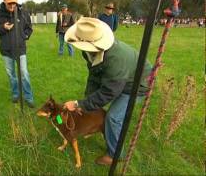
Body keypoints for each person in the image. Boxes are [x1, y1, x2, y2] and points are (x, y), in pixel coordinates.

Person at [63, 17, 152, 165]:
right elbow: (94, 75)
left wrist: (79, 104)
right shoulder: (88, 52)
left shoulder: (115, 60)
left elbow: (110, 92)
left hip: (137, 85)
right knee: (94, 106)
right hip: (121, 78)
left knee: (113, 118)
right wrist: (86, 103)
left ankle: (115, 156)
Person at [0, 0, 35, 108]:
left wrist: (24, 36)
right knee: (11, 74)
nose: (12, 5)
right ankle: (15, 94)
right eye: (9, 3)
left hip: (20, 49)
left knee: (24, 73)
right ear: (4, 0)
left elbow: (29, 28)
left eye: (14, 3)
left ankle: (28, 97)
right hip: (6, 50)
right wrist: (3, 27)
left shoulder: (23, 13)